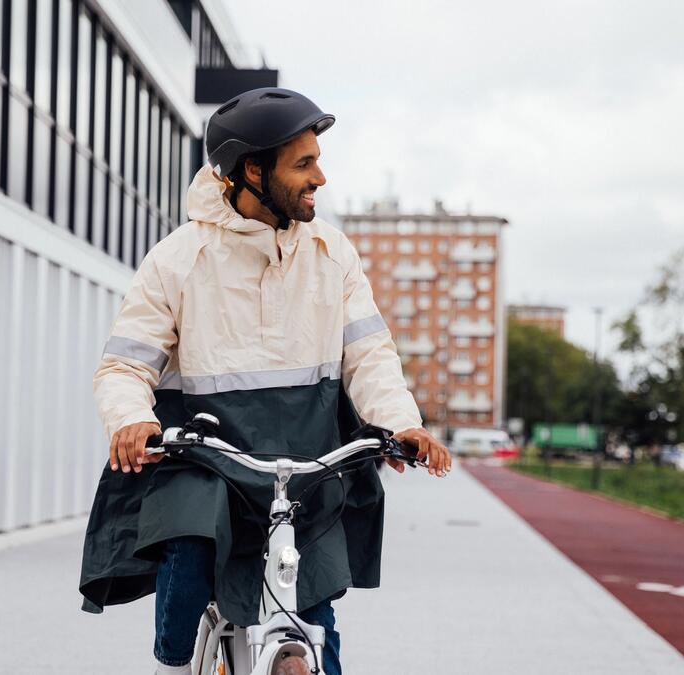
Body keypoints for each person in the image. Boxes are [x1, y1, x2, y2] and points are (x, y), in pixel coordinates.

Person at [79, 87, 451, 675]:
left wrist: (402, 424)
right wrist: (132, 418)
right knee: (190, 542)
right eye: (304, 163)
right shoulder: (178, 259)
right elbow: (125, 364)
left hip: (306, 462)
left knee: (316, 624)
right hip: (208, 461)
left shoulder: (333, 253)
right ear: (253, 170)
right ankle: (174, 666)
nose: (320, 178)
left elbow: (370, 354)